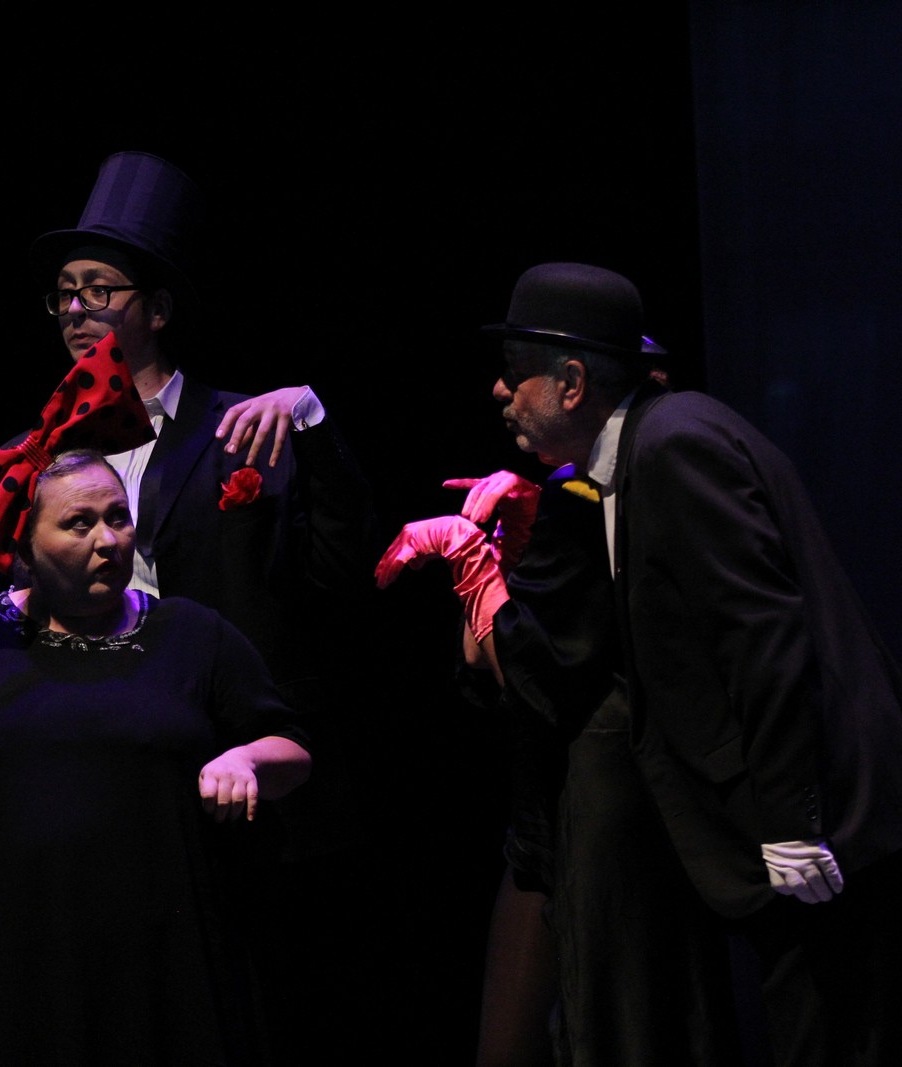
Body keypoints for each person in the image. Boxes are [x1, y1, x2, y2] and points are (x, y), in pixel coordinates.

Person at [0, 151, 377, 1056]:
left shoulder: (249, 428)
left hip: (230, 775)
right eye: (63, 295)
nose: (76, 310)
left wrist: (315, 431)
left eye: (99, 290)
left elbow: (337, 575)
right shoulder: (30, 459)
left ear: (157, 309)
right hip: (91, 784)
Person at [381, 262, 902, 1065]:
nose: (499, 391)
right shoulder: (638, 454)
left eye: (516, 373)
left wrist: (793, 824)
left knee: (833, 1034)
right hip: (806, 805)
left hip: (830, 812)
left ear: (572, 383)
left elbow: (763, 635)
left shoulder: (672, 444)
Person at [0, 448, 312, 1066]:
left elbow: (292, 746)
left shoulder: (190, 632)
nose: (108, 540)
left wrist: (248, 761)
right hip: (11, 962)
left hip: (162, 962)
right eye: (79, 523)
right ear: (24, 546)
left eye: (117, 517)